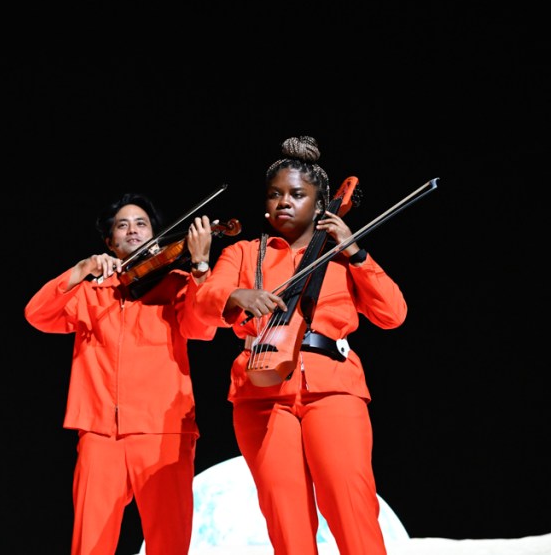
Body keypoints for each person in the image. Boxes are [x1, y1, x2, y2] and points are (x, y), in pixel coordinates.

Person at [194, 136, 408, 555]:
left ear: (322, 204)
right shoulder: (242, 253)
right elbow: (204, 304)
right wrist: (237, 297)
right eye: (275, 194)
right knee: (285, 516)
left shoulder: (342, 257)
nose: (284, 202)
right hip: (262, 394)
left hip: (333, 388)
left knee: (350, 505)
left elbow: (393, 313)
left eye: (297, 194)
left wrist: (357, 252)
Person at [24, 192, 220, 555]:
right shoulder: (91, 294)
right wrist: (80, 271)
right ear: (109, 242)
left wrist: (200, 269)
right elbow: (37, 314)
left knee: (169, 544)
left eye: (141, 223)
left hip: (163, 431)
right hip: (100, 434)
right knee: (90, 545)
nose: (132, 229)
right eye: (122, 225)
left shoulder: (177, 284)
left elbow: (201, 328)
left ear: (157, 238)